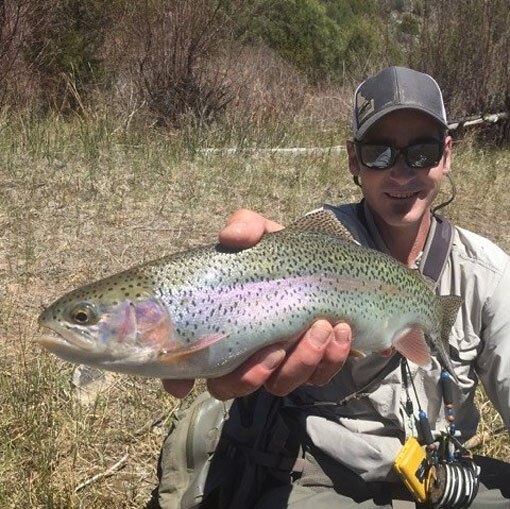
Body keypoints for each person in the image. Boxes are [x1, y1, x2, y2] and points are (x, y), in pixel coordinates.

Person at [156, 66, 510, 508]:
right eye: (379, 152)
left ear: (446, 155)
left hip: (442, 478)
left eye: (421, 152)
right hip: (325, 474)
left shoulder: (491, 274)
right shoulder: (314, 245)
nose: (401, 173)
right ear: (353, 159)